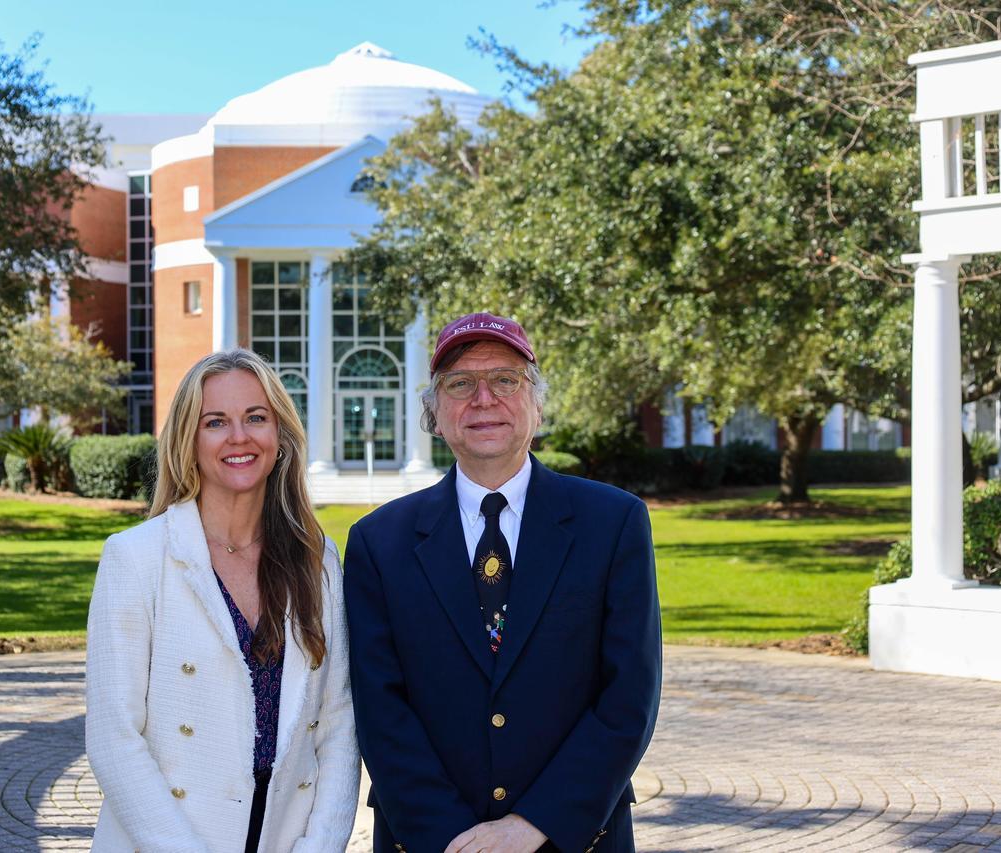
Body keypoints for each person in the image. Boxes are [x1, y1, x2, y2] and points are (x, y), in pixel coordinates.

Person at [344, 313, 661, 853]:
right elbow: (380, 708)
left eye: (506, 380)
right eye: (460, 383)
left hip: (575, 837)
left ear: (536, 405)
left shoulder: (613, 523)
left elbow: (629, 695)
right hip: (428, 841)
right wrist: (450, 839)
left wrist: (535, 825)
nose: (483, 399)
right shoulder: (379, 542)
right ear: (435, 414)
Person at [86, 348, 360, 853]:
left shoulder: (317, 560)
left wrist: (319, 846)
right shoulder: (136, 558)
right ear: (189, 441)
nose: (240, 437)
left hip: (285, 837)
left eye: (256, 417)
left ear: (280, 436)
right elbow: (113, 740)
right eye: (216, 422)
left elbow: (339, 723)